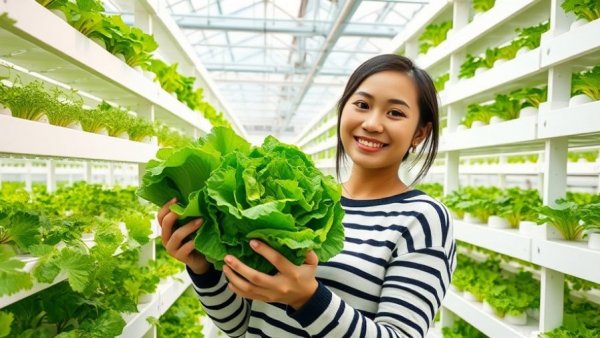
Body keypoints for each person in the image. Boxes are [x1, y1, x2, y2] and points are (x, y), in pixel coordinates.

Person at [158, 54, 455, 338]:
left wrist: (307, 298)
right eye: (362, 104)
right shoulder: (305, 204)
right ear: (344, 109)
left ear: (420, 133)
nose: (373, 124)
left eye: (395, 113)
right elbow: (241, 325)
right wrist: (203, 269)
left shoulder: (423, 218)